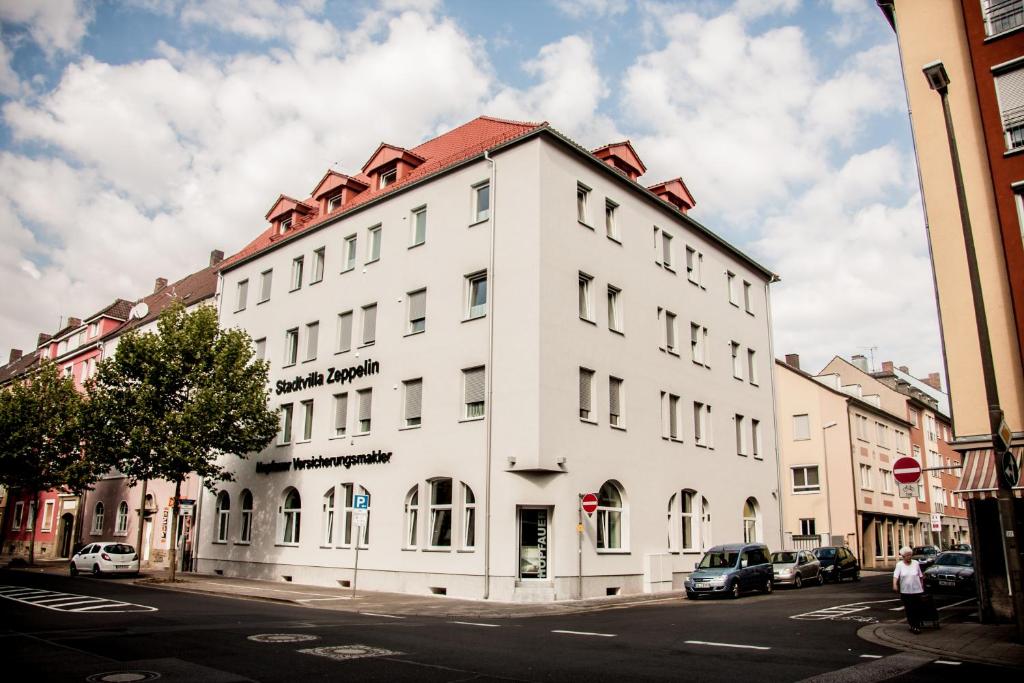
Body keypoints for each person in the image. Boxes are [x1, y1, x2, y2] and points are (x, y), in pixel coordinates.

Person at [893, 545, 925, 633]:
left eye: (910, 555)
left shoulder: (916, 563)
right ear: (903, 556)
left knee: (917, 609)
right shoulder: (899, 565)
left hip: (917, 590)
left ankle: (917, 626)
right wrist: (895, 584)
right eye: (907, 555)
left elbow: (920, 576)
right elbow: (896, 576)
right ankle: (912, 625)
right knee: (909, 609)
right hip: (905, 591)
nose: (909, 557)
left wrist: (922, 586)